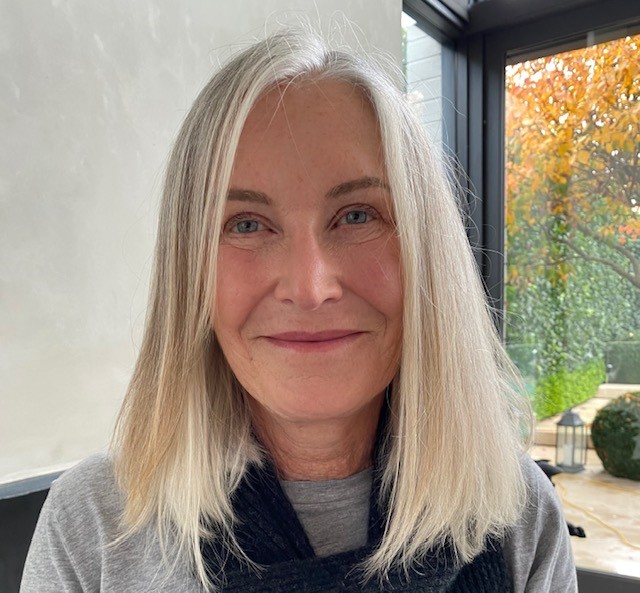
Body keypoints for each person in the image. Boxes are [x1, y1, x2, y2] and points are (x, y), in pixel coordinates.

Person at [20, 29, 578, 593]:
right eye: (246, 224)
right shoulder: (94, 525)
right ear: (189, 271)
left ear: (426, 254)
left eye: (357, 216)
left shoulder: (518, 513)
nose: (310, 288)